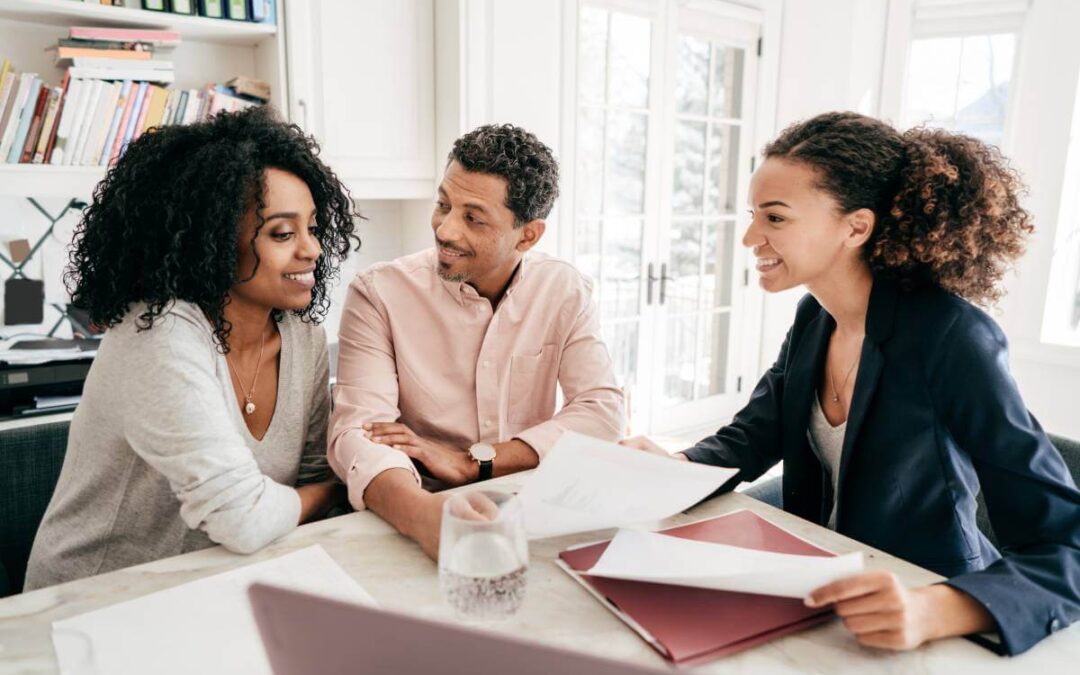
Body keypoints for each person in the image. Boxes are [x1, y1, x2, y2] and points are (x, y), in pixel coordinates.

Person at [622, 112, 1080, 656]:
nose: (749, 238)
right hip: (826, 589)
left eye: (775, 217)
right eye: (753, 215)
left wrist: (933, 608)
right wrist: (673, 468)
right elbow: (752, 436)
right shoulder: (815, 318)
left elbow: (1066, 542)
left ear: (856, 227)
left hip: (922, 601)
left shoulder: (952, 337)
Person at [25, 107, 358, 590]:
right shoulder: (158, 335)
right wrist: (332, 490)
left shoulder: (302, 337)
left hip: (216, 581)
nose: (313, 250)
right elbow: (244, 517)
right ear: (215, 241)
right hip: (94, 598)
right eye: (282, 233)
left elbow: (307, 475)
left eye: (313, 228)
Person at [329, 123, 625, 557]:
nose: (445, 230)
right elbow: (357, 432)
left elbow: (601, 413)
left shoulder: (564, 290)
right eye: (443, 205)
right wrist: (422, 514)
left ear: (527, 235)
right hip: (413, 508)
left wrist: (478, 461)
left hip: (533, 508)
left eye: (473, 217)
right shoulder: (378, 293)